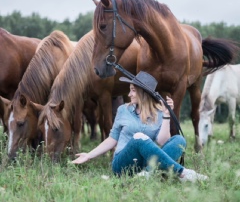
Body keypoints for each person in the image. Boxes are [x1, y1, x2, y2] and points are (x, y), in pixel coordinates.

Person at [72, 71, 208, 182]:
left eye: (132, 91)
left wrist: (166, 115)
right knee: (138, 137)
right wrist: (89, 155)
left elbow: (162, 141)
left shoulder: (159, 112)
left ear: (143, 93)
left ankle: (146, 175)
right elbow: (112, 139)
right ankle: (182, 172)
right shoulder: (123, 110)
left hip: (144, 162)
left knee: (179, 140)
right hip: (122, 163)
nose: (129, 94)